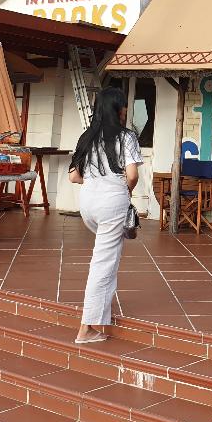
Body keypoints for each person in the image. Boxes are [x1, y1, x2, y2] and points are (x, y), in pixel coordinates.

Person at [68, 87, 142, 344]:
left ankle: (98, 311)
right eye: (123, 106)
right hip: (112, 202)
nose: (125, 111)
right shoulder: (127, 137)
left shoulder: (86, 136)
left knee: (105, 257)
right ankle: (86, 328)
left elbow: (73, 176)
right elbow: (132, 175)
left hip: (88, 202)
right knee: (103, 262)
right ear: (117, 109)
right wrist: (125, 190)